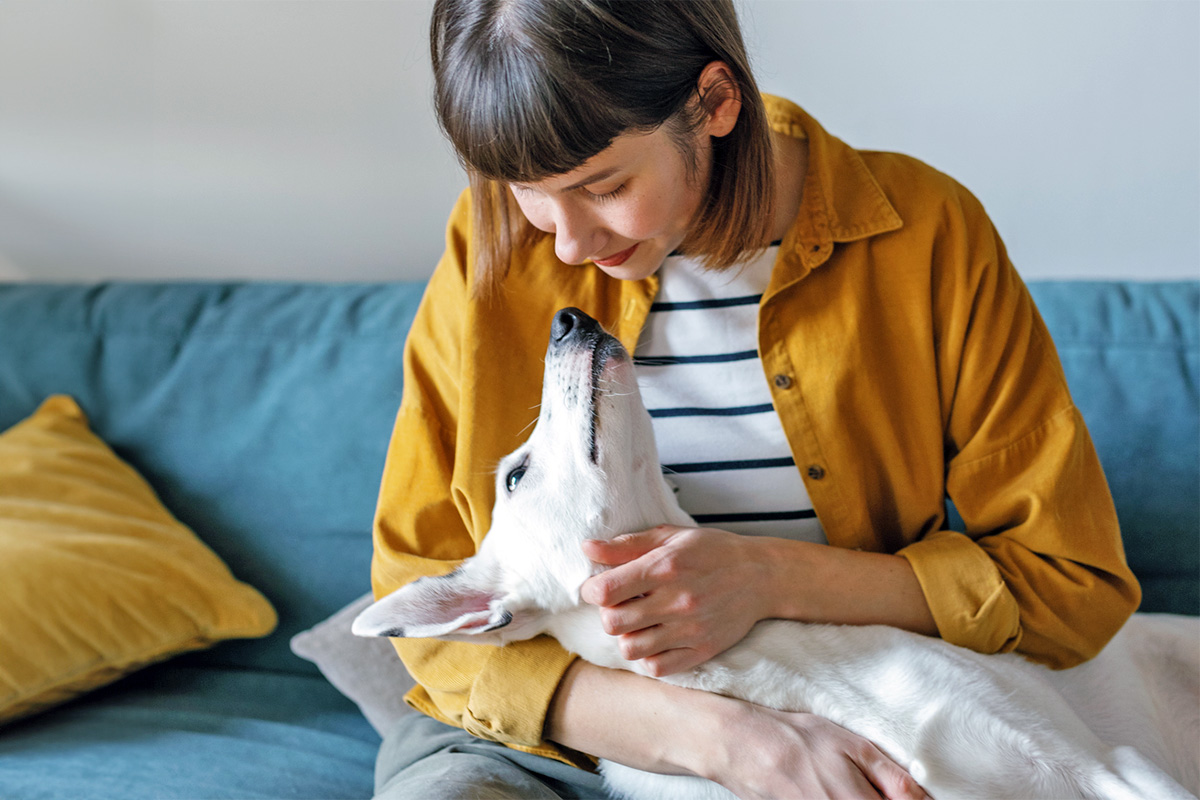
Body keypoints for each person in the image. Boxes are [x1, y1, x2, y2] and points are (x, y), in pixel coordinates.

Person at [368, 1, 1141, 797]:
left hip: (849, 710)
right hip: (549, 732)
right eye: (527, 189)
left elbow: (1067, 585)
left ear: (715, 102)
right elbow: (416, 594)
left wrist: (770, 577)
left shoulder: (927, 232)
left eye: (604, 186)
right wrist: (721, 737)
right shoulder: (492, 243)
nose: (565, 242)